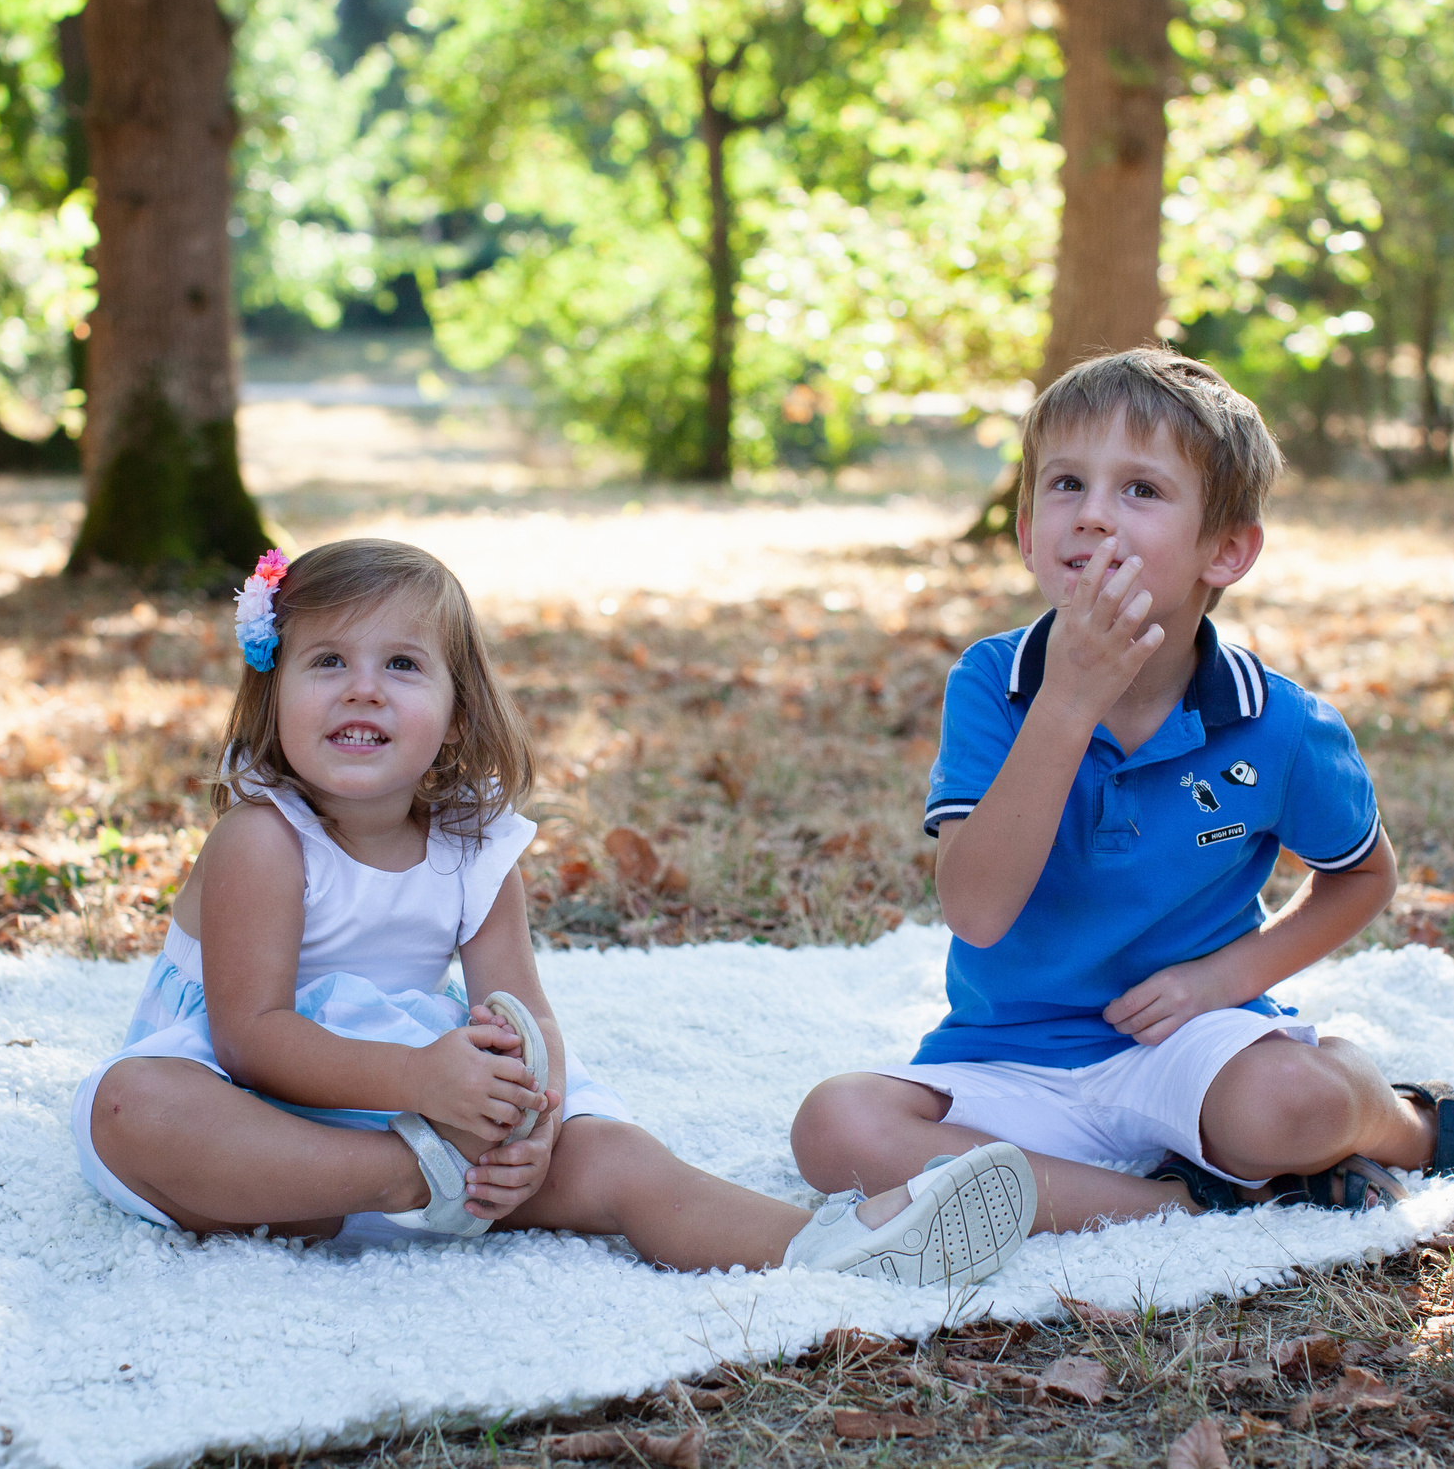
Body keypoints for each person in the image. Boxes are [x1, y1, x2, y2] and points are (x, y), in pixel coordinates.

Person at [790, 349, 1454, 1229]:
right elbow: (978, 911)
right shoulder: (993, 682)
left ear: (1224, 551)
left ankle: (1414, 1125)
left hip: (1189, 1047)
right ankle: (1183, 1200)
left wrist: (1221, 978)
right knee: (836, 1129)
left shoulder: (1277, 721)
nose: (1095, 516)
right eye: (1067, 483)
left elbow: (1363, 875)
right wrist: (1069, 700)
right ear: (1028, 529)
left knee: (1290, 1104)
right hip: (1009, 1061)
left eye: (1141, 491)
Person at [75, 537, 1036, 1287]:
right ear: (273, 691)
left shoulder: (473, 847)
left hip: (427, 1113)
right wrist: (423, 1114)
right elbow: (251, 1038)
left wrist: (529, 1131)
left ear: (455, 712)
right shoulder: (263, 839)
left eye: (403, 664)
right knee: (132, 1108)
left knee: (615, 1157)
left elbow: (523, 1011)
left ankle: (839, 1245)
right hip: (265, 1122)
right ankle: (403, 1180)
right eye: (327, 660)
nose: (363, 684)